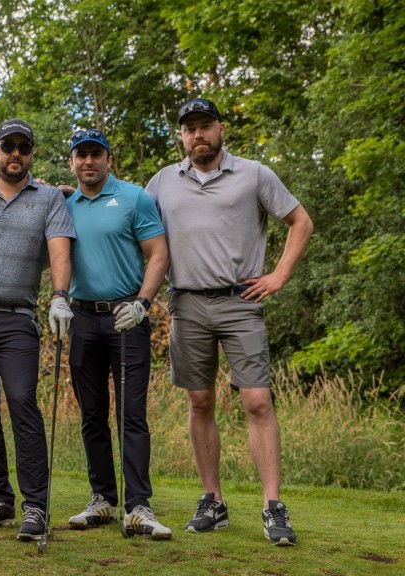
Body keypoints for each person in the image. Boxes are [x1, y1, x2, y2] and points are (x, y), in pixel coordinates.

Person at [146, 98, 313, 546]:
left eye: (204, 126)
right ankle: (212, 502)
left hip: (240, 301)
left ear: (221, 129)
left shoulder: (254, 174)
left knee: (257, 401)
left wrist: (278, 276)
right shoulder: (163, 181)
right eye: (189, 129)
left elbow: (300, 221)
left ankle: (273, 506)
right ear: (181, 136)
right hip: (187, 304)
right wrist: (63, 196)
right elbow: (131, 221)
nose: (197, 135)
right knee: (199, 401)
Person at [0, 118, 76, 542]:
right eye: (9, 146)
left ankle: (36, 507)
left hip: (17, 319)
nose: (15, 154)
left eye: (23, 147)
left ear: (31, 153)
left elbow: (60, 248)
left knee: (23, 404)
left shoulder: (48, 199)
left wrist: (60, 295)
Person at [62, 129, 172, 540]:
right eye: (81, 155)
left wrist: (143, 303)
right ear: (71, 162)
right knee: (92, 415)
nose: (88, 161)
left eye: (96, 154)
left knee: (131, 413)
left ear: (108, 159)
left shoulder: (134, 197)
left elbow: (158, 253)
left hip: (128, 315)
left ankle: (138, 505)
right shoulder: (64, 204)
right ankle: (103, 499)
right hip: (82, 317)